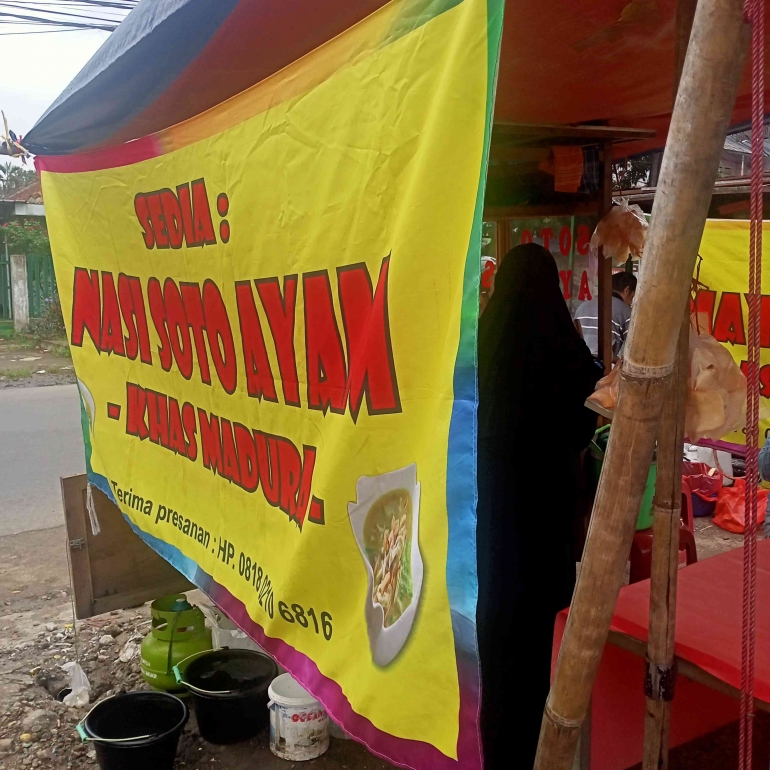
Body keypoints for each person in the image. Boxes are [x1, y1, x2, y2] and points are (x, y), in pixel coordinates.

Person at [476, 243, 601, 769]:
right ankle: (541, 751)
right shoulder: (563, 352)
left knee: (496, 649)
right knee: (539, 648)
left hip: (490, 529)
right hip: (544, 527)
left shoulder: (480, 342)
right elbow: (588, 415)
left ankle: (493, 750)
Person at [574, 271, 637, 361]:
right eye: (632, 297)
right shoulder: (626, 311)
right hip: (604, 366)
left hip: (578, 361)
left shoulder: (583, 306)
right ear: (626, 290)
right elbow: (632, 346)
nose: (630, 303)